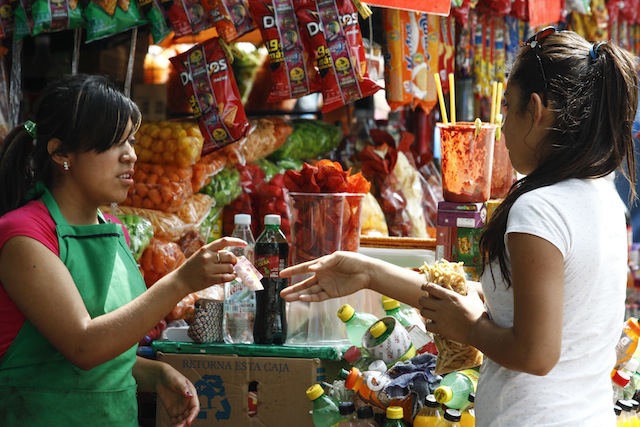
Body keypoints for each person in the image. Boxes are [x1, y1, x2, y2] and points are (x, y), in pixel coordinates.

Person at [281, 28, 639, 426]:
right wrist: (368, 272)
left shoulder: (539, 209)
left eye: (507, 109)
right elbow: (493, 300)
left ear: (535, 110)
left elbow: (535, 353)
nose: (501, 128)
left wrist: (471, 328)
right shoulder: (601, 197)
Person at [0, 74, 246, 426]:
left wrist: (154, 373)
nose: (131, 155)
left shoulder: (115, 234)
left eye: (131, 140)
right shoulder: (23, 236)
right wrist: (179, 282)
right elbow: (83, 346)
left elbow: (108, 354)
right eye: (114, 143)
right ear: (61, 153)